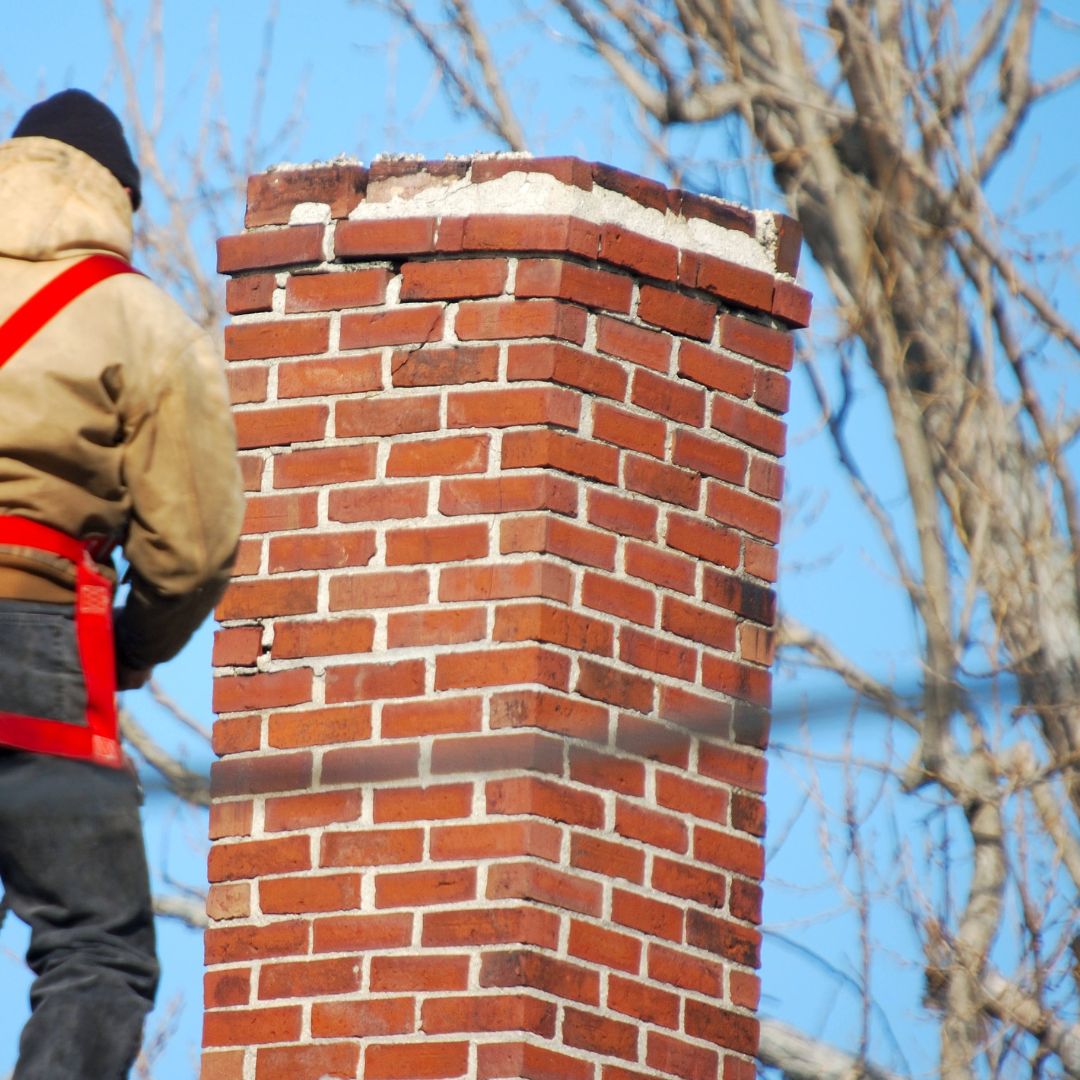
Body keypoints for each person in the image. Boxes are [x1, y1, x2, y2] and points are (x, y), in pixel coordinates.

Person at [0, 89, 243, 1078]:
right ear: (118, 200)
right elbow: (191, 550)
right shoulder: (141, 320)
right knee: (94, 945)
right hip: (33, 637)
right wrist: (132, 649)